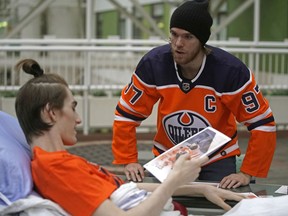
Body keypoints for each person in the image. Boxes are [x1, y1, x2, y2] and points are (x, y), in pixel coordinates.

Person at [14, 58, 244, 216]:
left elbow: (123, 187)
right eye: (72, 108)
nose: (78, 119)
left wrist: (200, 189)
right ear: (51, 113)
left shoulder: (60, 163)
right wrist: (174, 179)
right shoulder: (57, 169)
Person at [111, 0, 276, 188]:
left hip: (216, 154)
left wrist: (247, 173)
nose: (178, 44)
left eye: (188, 37)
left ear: (202, 40)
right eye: (174, 34)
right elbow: (126, 114)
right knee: (158, 205)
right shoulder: (153, 64)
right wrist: (128, 159)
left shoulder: (231, 71)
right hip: (170, 154)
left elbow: (263, 124)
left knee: (223, 204)